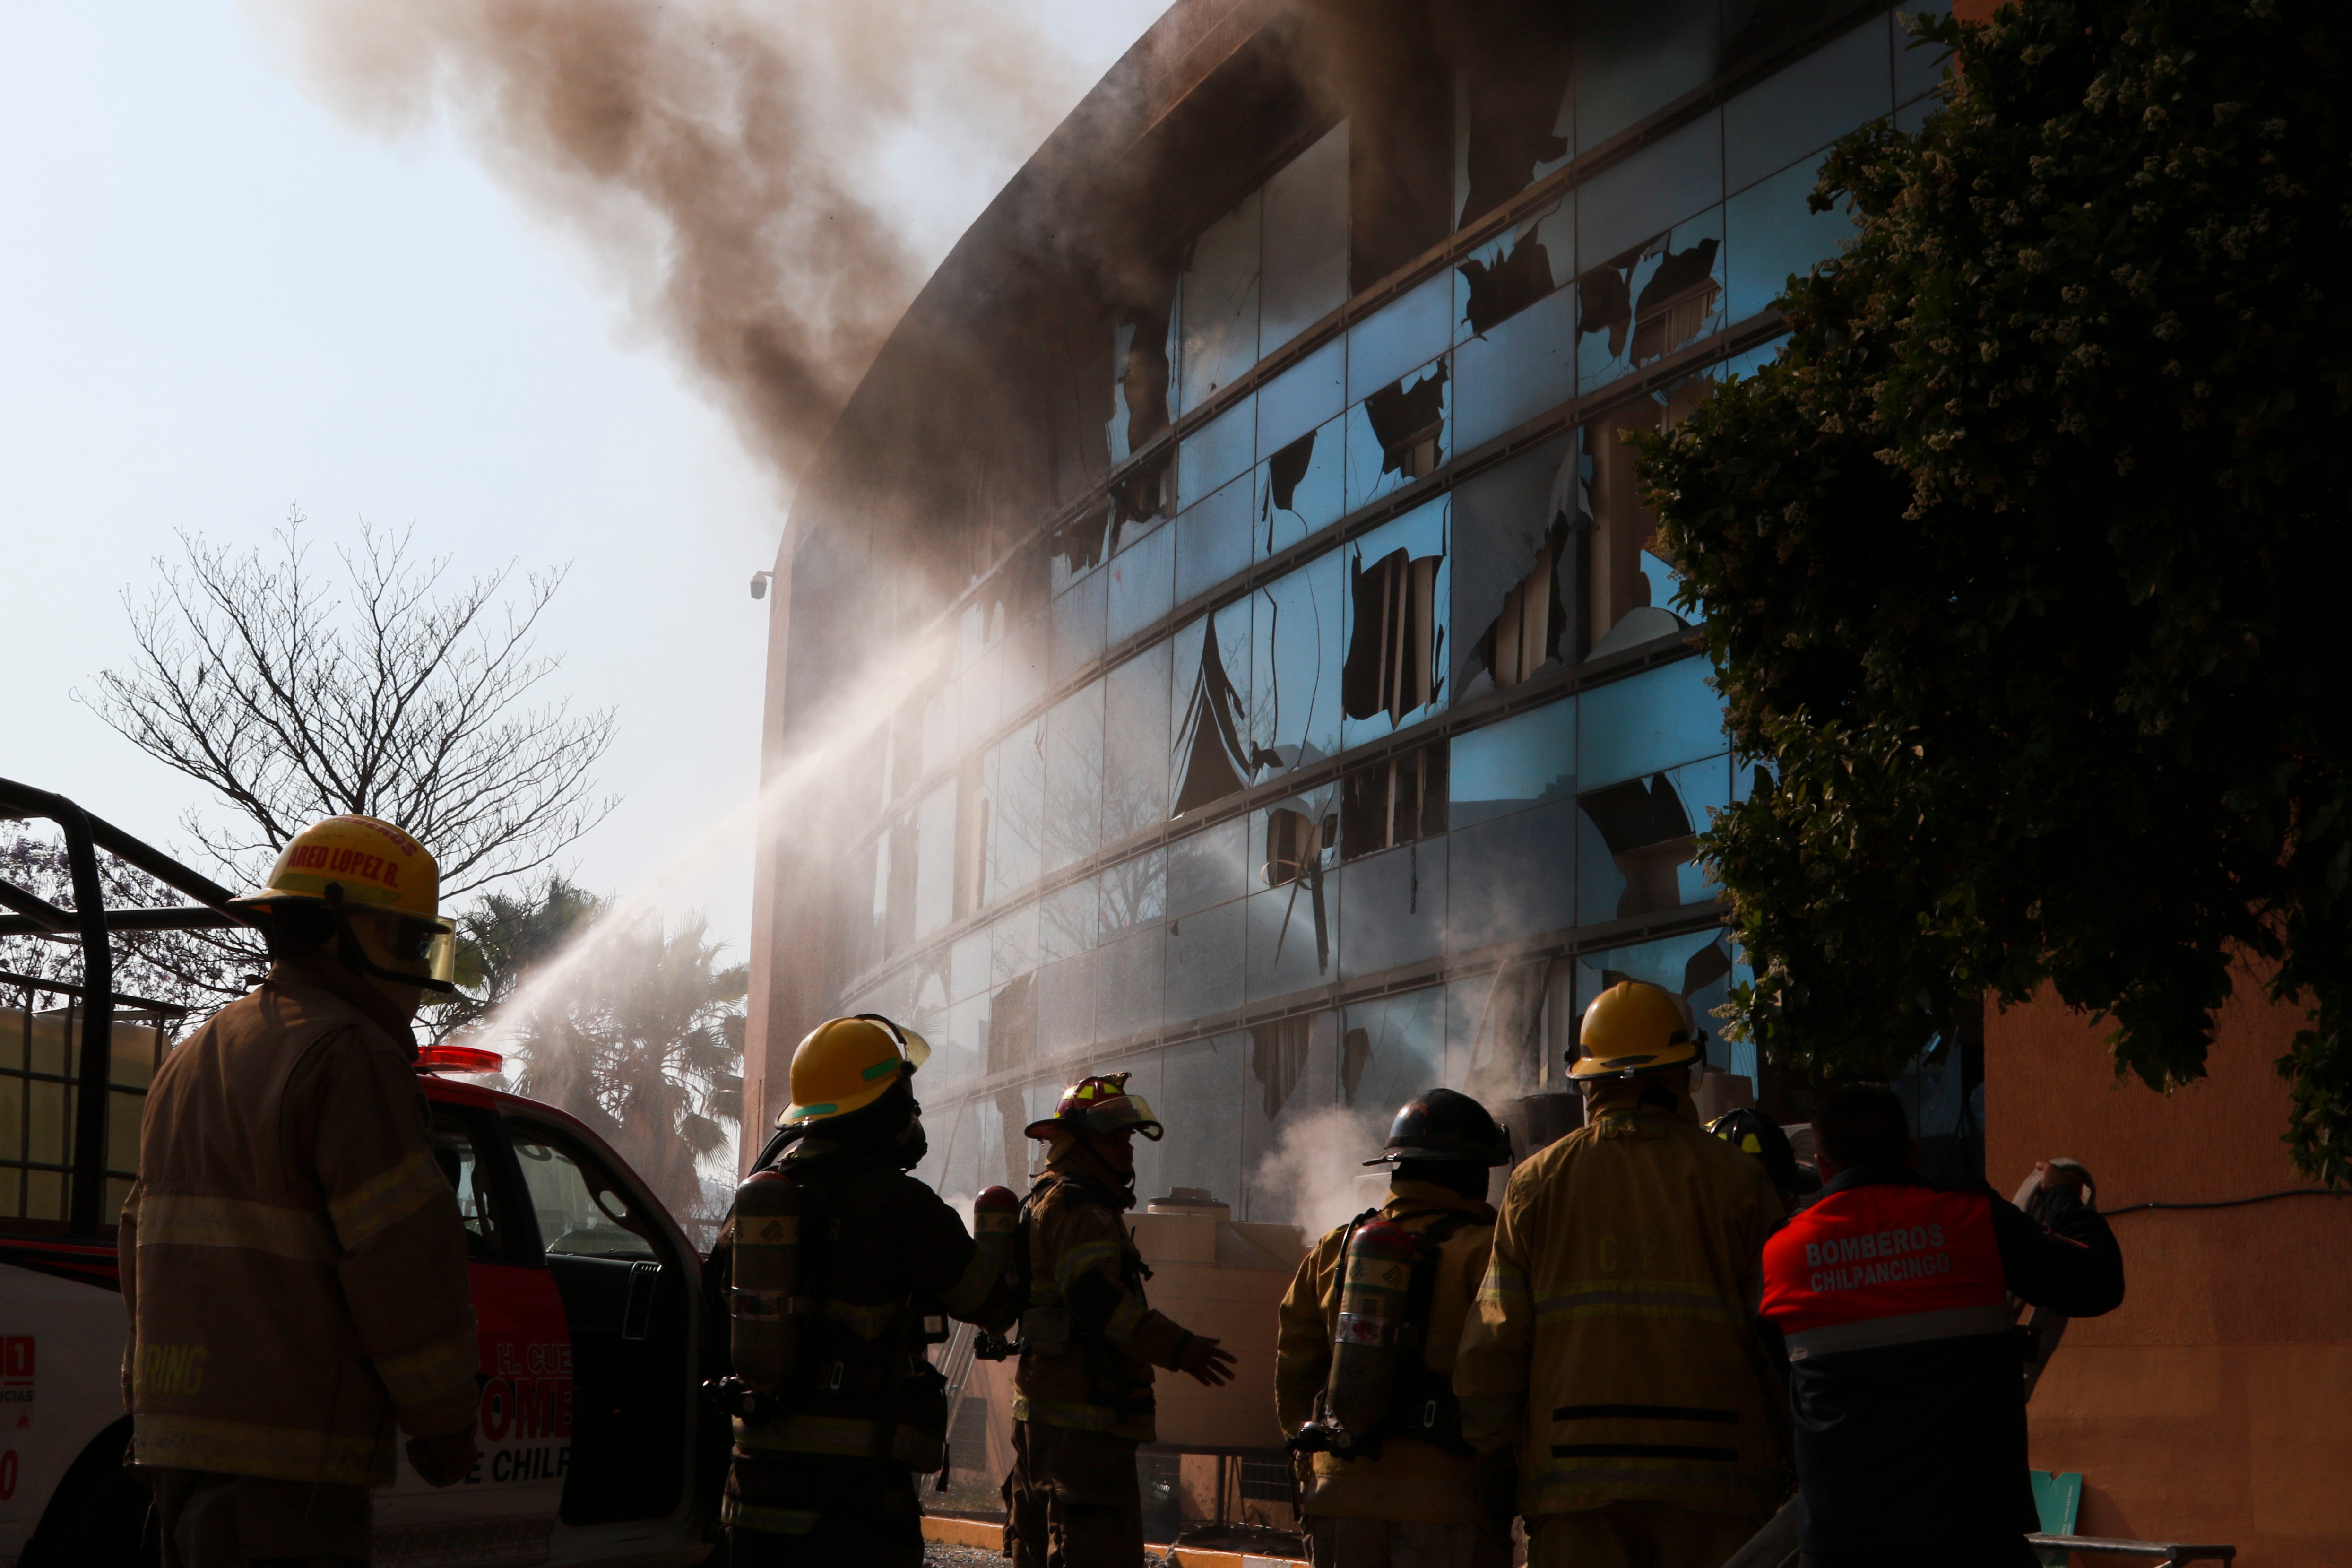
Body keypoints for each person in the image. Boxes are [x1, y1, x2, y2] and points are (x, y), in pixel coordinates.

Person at [121, 815, 482, 1568]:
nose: (417, 971)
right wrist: (444, 1419)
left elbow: (139, 1243)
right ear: (337, 934)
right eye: (409, 943)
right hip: (290, 1468)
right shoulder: (348, 1055)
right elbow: (402, 1255)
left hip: (176, 1445)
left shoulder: (195, 1054)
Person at [1453, 981, 1787, 1568]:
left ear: (1588, 1080)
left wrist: (1491, 1460)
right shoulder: (1736, 1180)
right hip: (1714, 1482)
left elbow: (1494, 1344)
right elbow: (1778, 1335)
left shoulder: (1536, 1183)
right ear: (1684, 1071)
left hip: (1575, 1486)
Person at [1757, 1083, 2124, 1568]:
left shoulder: (1783, 1252)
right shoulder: (1970, 1218)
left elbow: (1778, 1379)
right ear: (1911, 1152)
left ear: (1823, 1166)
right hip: (1974, 1532)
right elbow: (2096, 1281)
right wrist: (2059, 1195)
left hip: (1845, 1538)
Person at [717, 1014, 1019, 1567]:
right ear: (881, 1105)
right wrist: (1002, 1240)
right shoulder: (901, 1205)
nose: (913, 1113)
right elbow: (991, 1303)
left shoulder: (759, 1201)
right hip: (850, 1506)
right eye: (904, 1096)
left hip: (753, 1493)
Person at [1003, 1073, 1238, 1568]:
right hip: (1081, 1427)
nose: (1127, 1149)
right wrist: (1180, 1347)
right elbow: (1097, 1301)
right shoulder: (1079, 1205)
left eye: (1129, 1136)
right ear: (1081, 1140)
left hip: (1051, 1414)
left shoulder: (1057, 1198)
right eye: (1114, 1136)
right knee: (1093, 1551)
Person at [1276, 1088, 1515, 1568]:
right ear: (1473, 1172)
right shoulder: (1490, 1254)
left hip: (1339, 1498)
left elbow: (1295, 1369)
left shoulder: (1333, 1250)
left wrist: (1312, 1470)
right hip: (1443, 1505)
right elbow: (1502, 1367)